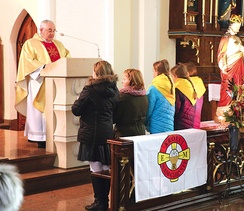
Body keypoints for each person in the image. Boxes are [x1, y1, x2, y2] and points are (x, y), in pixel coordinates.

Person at [71, 60, 119, 211]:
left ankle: (100, 203)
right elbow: (116, 112)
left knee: (96, 168)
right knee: (105, 167)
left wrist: (76, 101)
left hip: (92, 134)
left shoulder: (90, 89)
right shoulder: (114, 90)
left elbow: (76, 110)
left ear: (97, 73)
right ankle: (106, 201)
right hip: (107, 133)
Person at [15, 19, 70, 148]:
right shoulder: (30, 44)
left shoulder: (59, 44)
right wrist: (45, 67)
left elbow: (67, 59)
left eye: (53, 30)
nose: (52, 33)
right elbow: (27, 62)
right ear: (41, 30)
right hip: (39, 83)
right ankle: (40, 137)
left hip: (57, 83)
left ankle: (55, 135)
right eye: (49, 30)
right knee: (39, 111)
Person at [216, 14, 244, 118]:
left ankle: (237, 109)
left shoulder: (237, 39)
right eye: (237, 26)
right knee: (228, 87)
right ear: (231, 25)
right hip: (229, 67)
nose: (238, 29)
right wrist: (223, 66)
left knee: (238, 87)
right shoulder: (225, 39)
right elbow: (221, 54)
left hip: (239, 67)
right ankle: (225, 111)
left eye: (239, 27)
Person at [170, 62, 206, 130]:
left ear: (176, 76)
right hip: (195, 123)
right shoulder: (195, 86)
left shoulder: (179, 88)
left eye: (172, 76)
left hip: (182, 125)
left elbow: (176, 109)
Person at [113, 69, 148, 138]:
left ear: (132, 81)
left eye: (124, 79)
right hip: (140, 132)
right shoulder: (144, 96)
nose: (122, 82)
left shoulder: (123, 96)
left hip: (124, 133)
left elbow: (115, 117)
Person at [146, 59, 175, 134]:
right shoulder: (171, 85)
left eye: (153, 71)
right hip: (169, 125)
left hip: (156, 126)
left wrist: (144, 122)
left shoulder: (154, 87)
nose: (153, 73)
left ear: (157, 72)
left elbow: (149, 108)